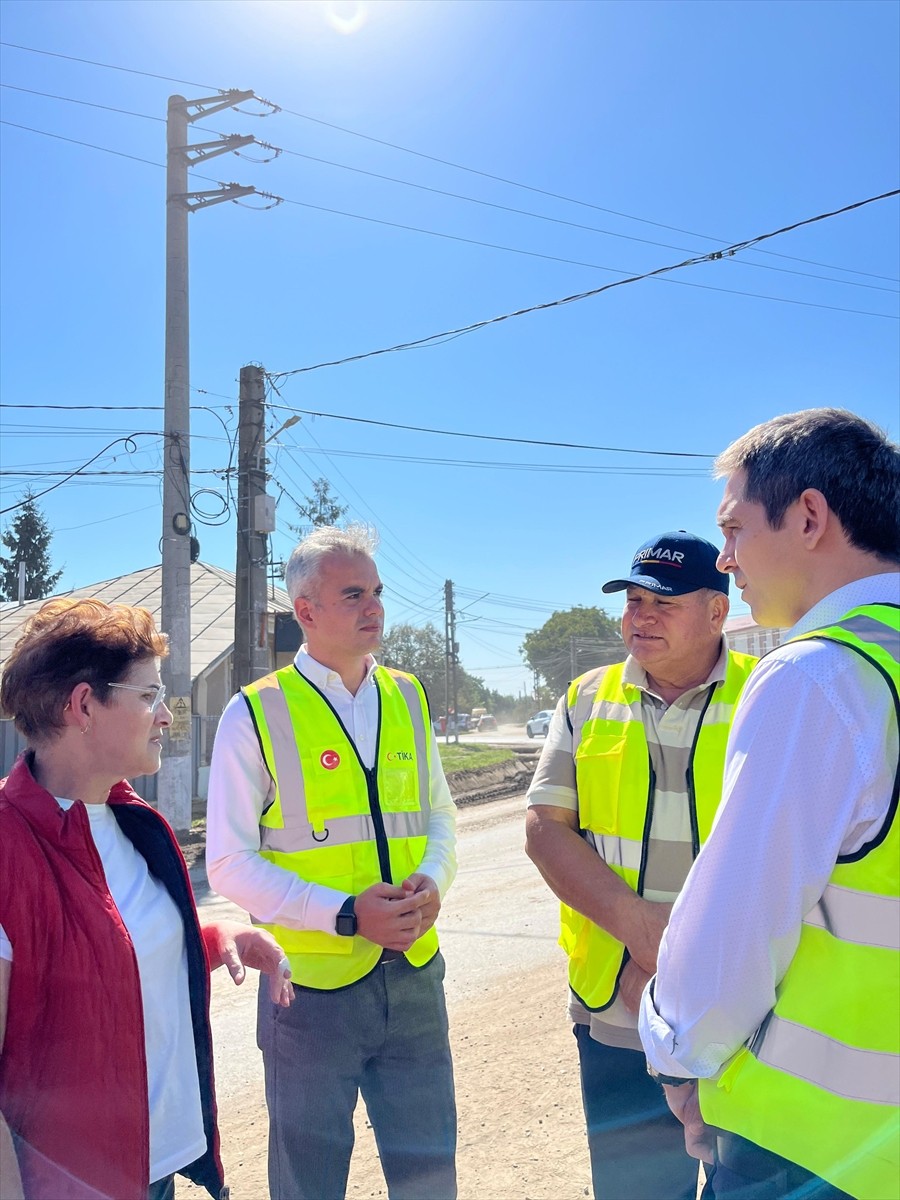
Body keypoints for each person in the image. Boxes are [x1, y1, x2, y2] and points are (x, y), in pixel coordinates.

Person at [639, 408, 900, 1200]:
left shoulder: (816, 677)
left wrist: (676, 1059)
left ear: (810, 517)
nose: (726, 558)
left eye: (736, 527)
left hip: (816, 1153)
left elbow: (730, 940)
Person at [0, 598, 293, 1200]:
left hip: (157, 1167)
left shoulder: (136, 821)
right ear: (83, 705)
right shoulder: (8, 847)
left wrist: (211, 940)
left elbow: (109, 950)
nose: (165, 716)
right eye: (147, 695)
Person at [205, 524, 458, 1200]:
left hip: (413, 980)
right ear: (306, 612)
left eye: (376, 592)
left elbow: (439, 815)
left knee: (429, 1178)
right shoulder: (253, 714)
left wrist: (432, 882)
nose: (373, 607)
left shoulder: (408, 696)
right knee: (307, 1184)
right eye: (353, 594)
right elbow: (229, 862)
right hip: (308, 995)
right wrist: (346, 915)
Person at [525, 531, 757, 1200]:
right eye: (632, 601)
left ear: (717, 612)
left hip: (746, 1008)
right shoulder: (586, 698)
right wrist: (638, 929)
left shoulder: (767, 693)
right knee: (635, 1189)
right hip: (618, 1001)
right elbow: (545, 830)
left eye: (663, 602)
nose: (640, 617)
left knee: (752, 1184)